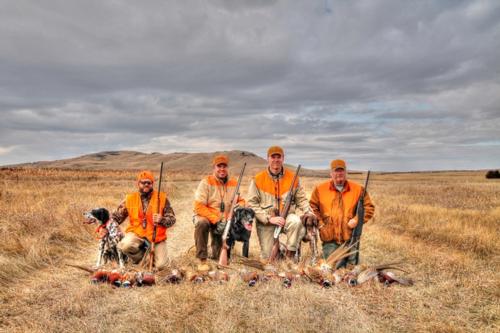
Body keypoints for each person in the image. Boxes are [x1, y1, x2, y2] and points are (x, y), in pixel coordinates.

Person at [247, 146, 315, 261]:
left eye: (279, 157)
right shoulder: (258, 179)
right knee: (269, 258)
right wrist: (268, 218)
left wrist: (308, 211)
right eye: (273, 157)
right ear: (268, 159)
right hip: (266, 222)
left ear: (283, 159)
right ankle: (279, 251)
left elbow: (302, 200)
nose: (276, 160)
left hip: (287, 217)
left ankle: (291, 255)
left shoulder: (293, 178)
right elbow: (252, 204)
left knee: (296, 222)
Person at [309, 159, 375, 267]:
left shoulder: (358, 190)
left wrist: (356, 220)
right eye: (336, 171)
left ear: (346, 172)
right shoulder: (320, 189)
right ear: (331, 173)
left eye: (341, 171)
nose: (339, 173)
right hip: (330, 238)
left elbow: (369, 208)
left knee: (350, 268)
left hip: (350, 238)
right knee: (333, 267)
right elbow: (312, 207)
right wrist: (320, 225)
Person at [110, 170, 176, 270]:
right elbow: (115, 218)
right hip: (137, 233)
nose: (146, 184)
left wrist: (162, 219)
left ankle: (152, 258)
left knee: (162, 266)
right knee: (124, 246)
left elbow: (172, 219)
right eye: (143, 182)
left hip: (156, 237)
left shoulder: (162, 198)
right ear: (138, 184)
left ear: (152, 184)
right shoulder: (130, 199)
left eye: (148, 182)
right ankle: (146, 259)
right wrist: (103, 226)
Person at [193, 155, 245, 271]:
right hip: (208, 218)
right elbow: (198, 206)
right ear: (214, 168)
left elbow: (241, 200)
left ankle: (220, 250)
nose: (222, 169)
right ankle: (202, 260)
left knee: (219, 256)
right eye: (219, 166)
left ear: (227, 168)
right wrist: (215, 219)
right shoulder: (206, 182)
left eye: (224, 166)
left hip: (224, 222)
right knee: (202, 223)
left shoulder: (233, 183)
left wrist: (238, 207)